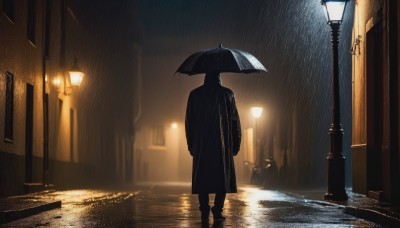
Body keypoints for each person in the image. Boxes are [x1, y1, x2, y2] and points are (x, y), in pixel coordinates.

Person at [185, 71, 241, 222]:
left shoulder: (195, 94)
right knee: (221, 177)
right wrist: (236, 143)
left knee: (202, 175)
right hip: (222, 144)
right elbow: (235, 121)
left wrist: (191, 144)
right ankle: (217, 209)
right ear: (219, 77)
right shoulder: (227, 94)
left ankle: (204, 209)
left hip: (202, 143)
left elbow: (189, 122)